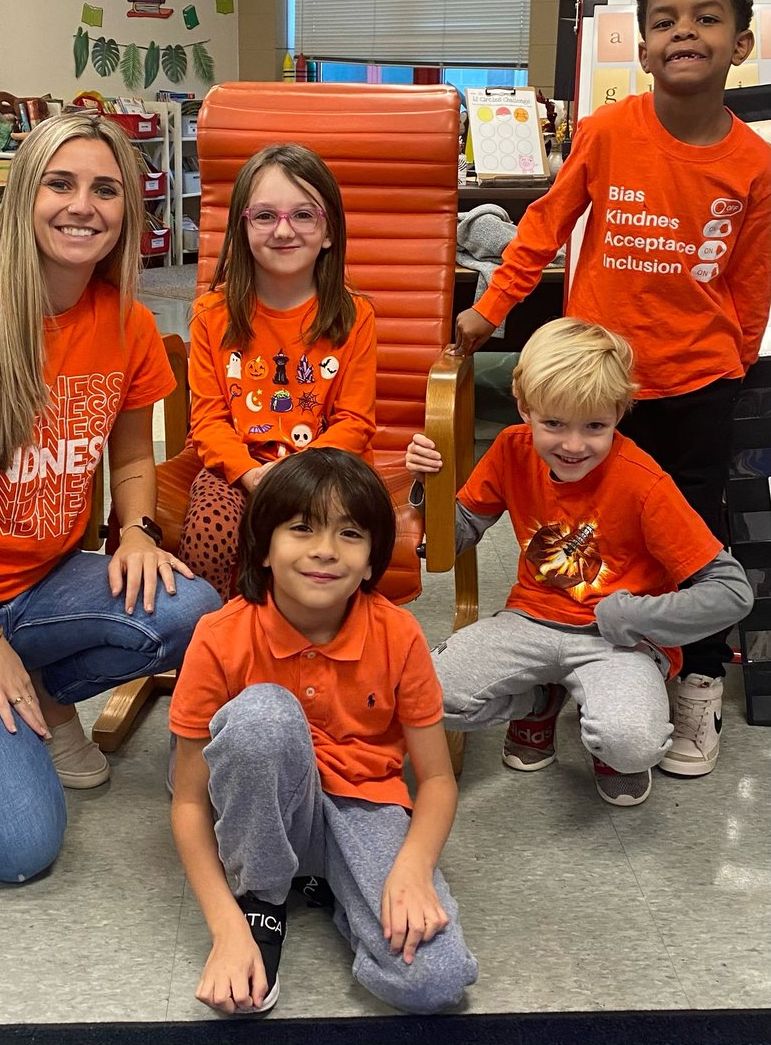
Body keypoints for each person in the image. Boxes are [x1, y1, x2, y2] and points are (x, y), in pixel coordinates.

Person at [0, 114, 220, 883]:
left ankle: (20, 686)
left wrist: (136, 532)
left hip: (40, 586)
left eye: (105, 190)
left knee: (191, 608)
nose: (82, 206)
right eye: (61, 184)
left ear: (127, 211)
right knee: (20, 847)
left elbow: (132, 454)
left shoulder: (127, 323)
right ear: (25, 195)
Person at [454, 0, 771, 778]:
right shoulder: (606, 132)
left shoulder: (754, 164)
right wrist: (491, 309)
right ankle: (556, 655)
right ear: (643, 48)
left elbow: (751, 281)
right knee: (582, 524)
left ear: (741, 43)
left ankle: (697, 677)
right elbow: (543, 228)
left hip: (695, 387)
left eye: (707, 18)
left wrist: (733, 365)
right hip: (593, 386)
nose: (684, 32)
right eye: (665, 21)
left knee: (691, 537)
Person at [169, 447, 477, 1016]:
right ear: (263, 548)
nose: (325, 550)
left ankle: (325, 884)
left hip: (365, 805)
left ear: (371, 561)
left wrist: (412, 867)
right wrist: (225, 926)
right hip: (262, 811)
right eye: (302, 528)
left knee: (436, 981)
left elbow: (436, 779)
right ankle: (262, 900)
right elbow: (188, 802)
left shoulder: (400, 634)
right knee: (263, 715)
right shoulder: (218, 635)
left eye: (350, 534)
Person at [406, 319, 753, 807]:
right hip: (529, 620)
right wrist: (430, 489)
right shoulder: (510, 449)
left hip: (617, 640)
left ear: (619, 414)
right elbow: (457, 536)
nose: (572, 445)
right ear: (524, 407)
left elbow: (732, 591)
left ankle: (606, 736)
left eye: (594, 426)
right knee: (418, 693)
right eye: (553, 424)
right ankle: (540, 699)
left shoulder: (644, 482)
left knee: (631, 743)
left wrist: (632, 616)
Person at [178, 143, 377, 601]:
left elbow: (354, 422)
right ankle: (218, 631)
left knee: (333, 541)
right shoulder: (211, 314)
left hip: (326, 469)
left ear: (328, 232)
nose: (283, 230)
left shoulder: (355, 316)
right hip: (238, 469)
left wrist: (293, 476)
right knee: (210, 529)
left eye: (303, 215)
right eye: (265, 216)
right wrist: (251, 475)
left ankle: (319, 634)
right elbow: (207, 422)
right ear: (242, 227)